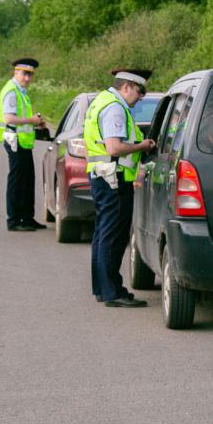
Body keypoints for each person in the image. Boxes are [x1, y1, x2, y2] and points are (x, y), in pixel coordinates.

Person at [84, 68, 157, 308]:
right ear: (126, 86)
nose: (140, 97)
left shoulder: (102, 101)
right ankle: (112, 291)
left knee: (103, 234)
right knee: (112, 235)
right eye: (139, 91)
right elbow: (114, 148)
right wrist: (142, 146)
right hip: (113, 179)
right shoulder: (115, 108)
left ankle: (104, 288)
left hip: (104, 177)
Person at [0, 58, 48, 231]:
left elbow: (22, 118)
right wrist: (32, 120)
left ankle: (27, 218)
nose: (27, 78)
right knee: (17, 181)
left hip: (23, 141)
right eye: (24, 74)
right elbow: (9, 118)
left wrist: (36, 123)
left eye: (30, 75)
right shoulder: (12, 91)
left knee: (28, 180)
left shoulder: (21, 91)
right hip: (14, 141)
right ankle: (13, 220)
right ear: (16, 72)